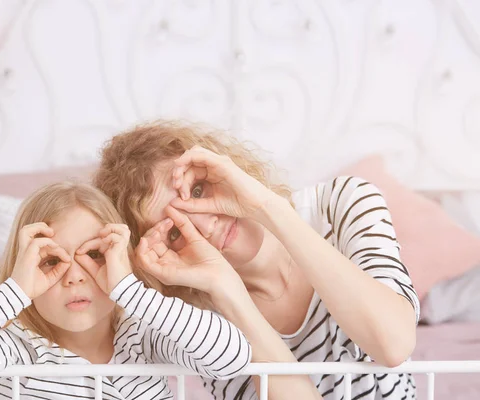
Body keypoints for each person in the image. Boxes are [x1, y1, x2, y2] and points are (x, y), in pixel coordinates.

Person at [94, 120, 420, 400]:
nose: (207, 226)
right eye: (176, 232)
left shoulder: (340, 205)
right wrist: (229, 293)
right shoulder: (196, 322)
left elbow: (393, 344)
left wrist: (265, 205)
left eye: (197, 191)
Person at [0, 181, 252, 399]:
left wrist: (130, 289)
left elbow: (231, 355)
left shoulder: (142, 336)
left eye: (94, 255)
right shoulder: (18, 349)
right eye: (52, 262)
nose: (74, 277)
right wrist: (15, 290)